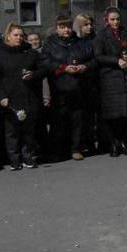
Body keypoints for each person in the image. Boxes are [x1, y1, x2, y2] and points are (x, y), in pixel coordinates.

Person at [0, 23, 43, 170]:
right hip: (10, 99)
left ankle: (28, 157)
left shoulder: (30, 53)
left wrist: (34, 75)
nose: (19, 38)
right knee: (12, 132)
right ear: (8, 36)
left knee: (28, 131)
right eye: (16, 35)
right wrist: (1, 96)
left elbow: (44, 69)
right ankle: (14, 160)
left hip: (29, 97)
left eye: (21, 35)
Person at [40, 15, 94, 161]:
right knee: (59, 120)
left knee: (78, 119)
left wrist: (85, 66)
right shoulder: (50, 44)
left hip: (79, 86)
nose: (66, 30)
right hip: (59, 88)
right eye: (62, 27)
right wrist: (63, 68)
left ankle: (76, 148)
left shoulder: (81, 42)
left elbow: (92, 59)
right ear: (57, 28)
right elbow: (45, 62)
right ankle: (58, 150)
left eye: (68, 26)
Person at [93, 7, 127, 157]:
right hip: (109, 78)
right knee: (112, 114)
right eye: (112, 19)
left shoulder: (126, 34)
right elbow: (98, 56)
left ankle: (126, 141)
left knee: (125, 114)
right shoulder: (101, 36)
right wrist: (116, 60)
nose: (116, 22)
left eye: (118, 19)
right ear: (107, 20)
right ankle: (114, 142)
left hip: (125, 77)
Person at [73, 14, 100, 155]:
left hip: (93, 79)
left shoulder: (95, 39)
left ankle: (91, 143)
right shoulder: (74, 41)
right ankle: (80, 144)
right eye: (85, 25)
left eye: (90, 24)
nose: (89, 27)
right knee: (80, 116)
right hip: (79, 82)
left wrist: (87, 66)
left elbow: (97, 58)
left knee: (91, 116)